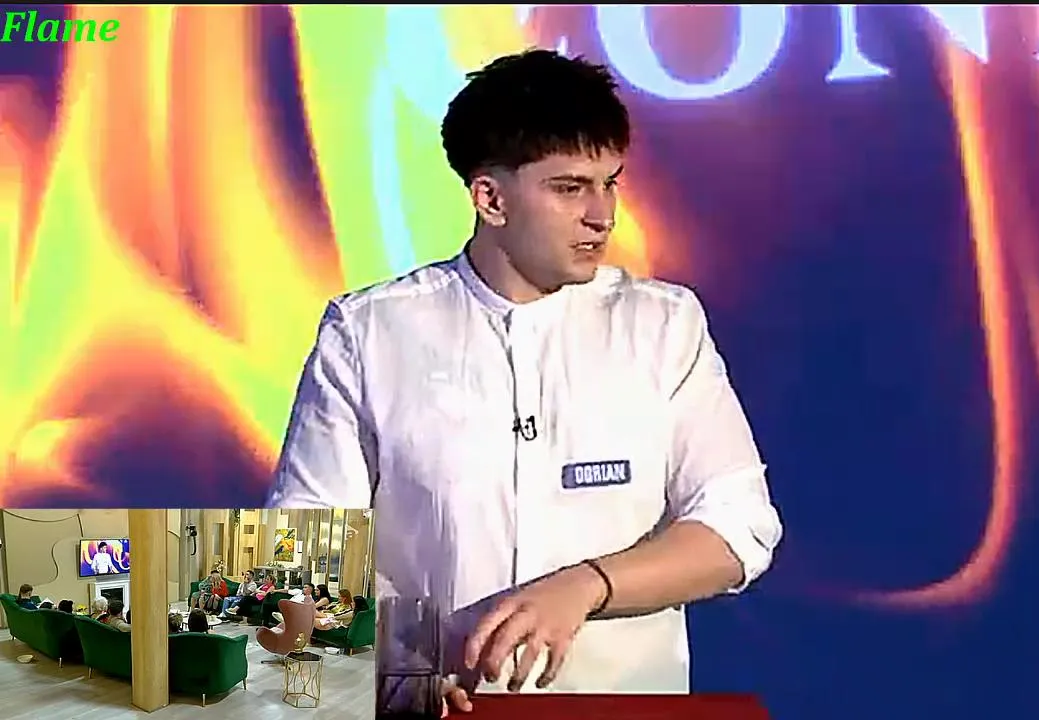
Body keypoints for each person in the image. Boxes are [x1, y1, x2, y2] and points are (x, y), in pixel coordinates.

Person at [266, 48, 782, 709]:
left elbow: (739, 527)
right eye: (570, 188)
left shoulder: (662, 325)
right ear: (491, 198)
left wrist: (587, 585)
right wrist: (401, 669)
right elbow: (303, 553)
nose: (602, 214)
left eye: (610, 183)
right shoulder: (368, 332)